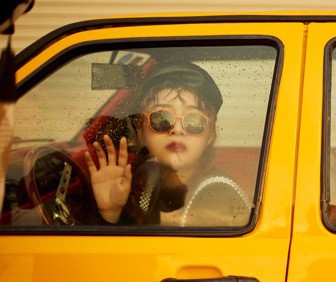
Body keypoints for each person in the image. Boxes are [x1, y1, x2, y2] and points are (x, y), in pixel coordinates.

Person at [85, 61, 252, 227]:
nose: (177, 130)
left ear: (210, 135)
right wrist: (111, 213)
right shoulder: (145, 180)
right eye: (161, 118)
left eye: (194, 121)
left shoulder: (222, 197)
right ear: (141, 131)